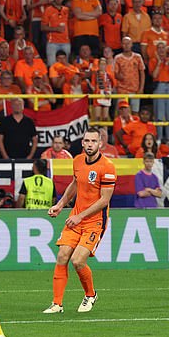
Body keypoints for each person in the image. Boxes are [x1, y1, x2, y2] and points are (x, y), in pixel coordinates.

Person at [43, 127, 117, 314]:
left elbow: (104, 200)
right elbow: (75, 183)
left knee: (77, 261)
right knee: (62, 256)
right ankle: (57, 304)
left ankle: (90, 295)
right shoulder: (77, 161)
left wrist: (80, 216)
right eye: (87, 141)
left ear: (100, 143)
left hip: (94, 221)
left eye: (93, 141)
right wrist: (60, 205)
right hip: (75, 218)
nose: (90, 144)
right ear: (82, 142)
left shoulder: (107, 167)